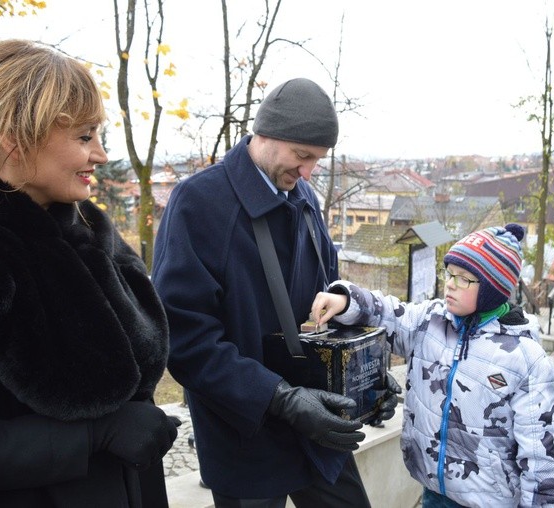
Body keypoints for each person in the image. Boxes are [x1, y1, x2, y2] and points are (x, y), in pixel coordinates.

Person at [0, 39, 178, 506]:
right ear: (14, 137)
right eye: (83, 137)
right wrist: (93, 436)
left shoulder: (89, 232)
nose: (99, 155)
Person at [151, 78, 399, 507]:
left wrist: (364, 379)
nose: (308, 173)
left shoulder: (301, 195)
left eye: (317, 161)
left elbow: (326, 303)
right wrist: (280, 399)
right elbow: (185, 340)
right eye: (302, 156)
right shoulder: (198, 203)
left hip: (315, 422)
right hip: (244, 433)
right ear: (263, 134)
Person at [311, 224, 554, 508]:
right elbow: (387, 313)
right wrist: (346, 300)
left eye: (464, 279)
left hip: (489, 500)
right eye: (450, 273)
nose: (451, 284)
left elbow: (542, 455)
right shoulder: (429, 321)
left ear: (493, 290)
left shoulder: (525, 359)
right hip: (433, 490)